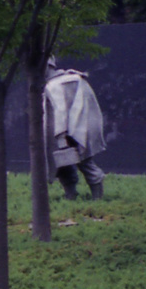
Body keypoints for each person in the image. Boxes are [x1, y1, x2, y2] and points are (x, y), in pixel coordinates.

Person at [44, 59, 106, 200]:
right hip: (79, 127)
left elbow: (60, 111)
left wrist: (61, 137)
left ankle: (96, 197)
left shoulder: (54, 85)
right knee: (63, 165)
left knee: (83, 163)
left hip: (66, 132)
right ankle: (71, 195)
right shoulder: (73, 78)